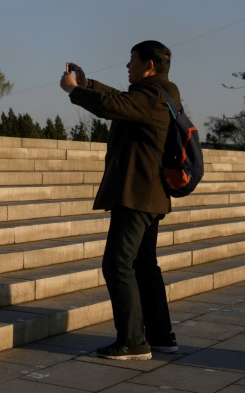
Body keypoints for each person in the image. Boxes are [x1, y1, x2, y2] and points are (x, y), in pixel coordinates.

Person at [60, 40, 178, 360]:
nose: (127, 66)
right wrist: (89, 84)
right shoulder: (161, 93)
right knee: (143, 265)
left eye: (132, 61)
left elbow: (112, 107)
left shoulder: (152, 96)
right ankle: (160, 335)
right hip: (149, 195)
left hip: (137, 195)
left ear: (148, 66)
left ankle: (132, 341)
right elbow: (122, 100)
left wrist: (75, 91)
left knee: (117, 264)